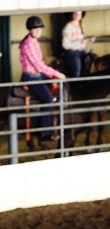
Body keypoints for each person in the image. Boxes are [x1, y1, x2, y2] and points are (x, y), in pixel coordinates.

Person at [19, 16, 66, 146]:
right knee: (47, 99)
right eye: (36, 29)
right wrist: (57, 74)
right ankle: (44, 132)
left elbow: (40, 63)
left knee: (55, 88)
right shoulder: (29, 44)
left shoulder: (33, 41)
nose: (39, 31)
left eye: (40, 28)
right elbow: (39, 66)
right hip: (32, 76)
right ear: (30, 30)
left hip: (38, 74)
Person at [62, 11, 96, 77]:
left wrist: (88, 40)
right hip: (72, 52)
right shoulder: (68, 27)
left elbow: (81, 40)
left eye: (79, 13)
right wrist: (81, 42)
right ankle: (75, 83)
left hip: (82, 51)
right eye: (75, 13)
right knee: (77, 71)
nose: (78, 15)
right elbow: (65, 44)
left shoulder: (81, 26)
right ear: (72, 14)